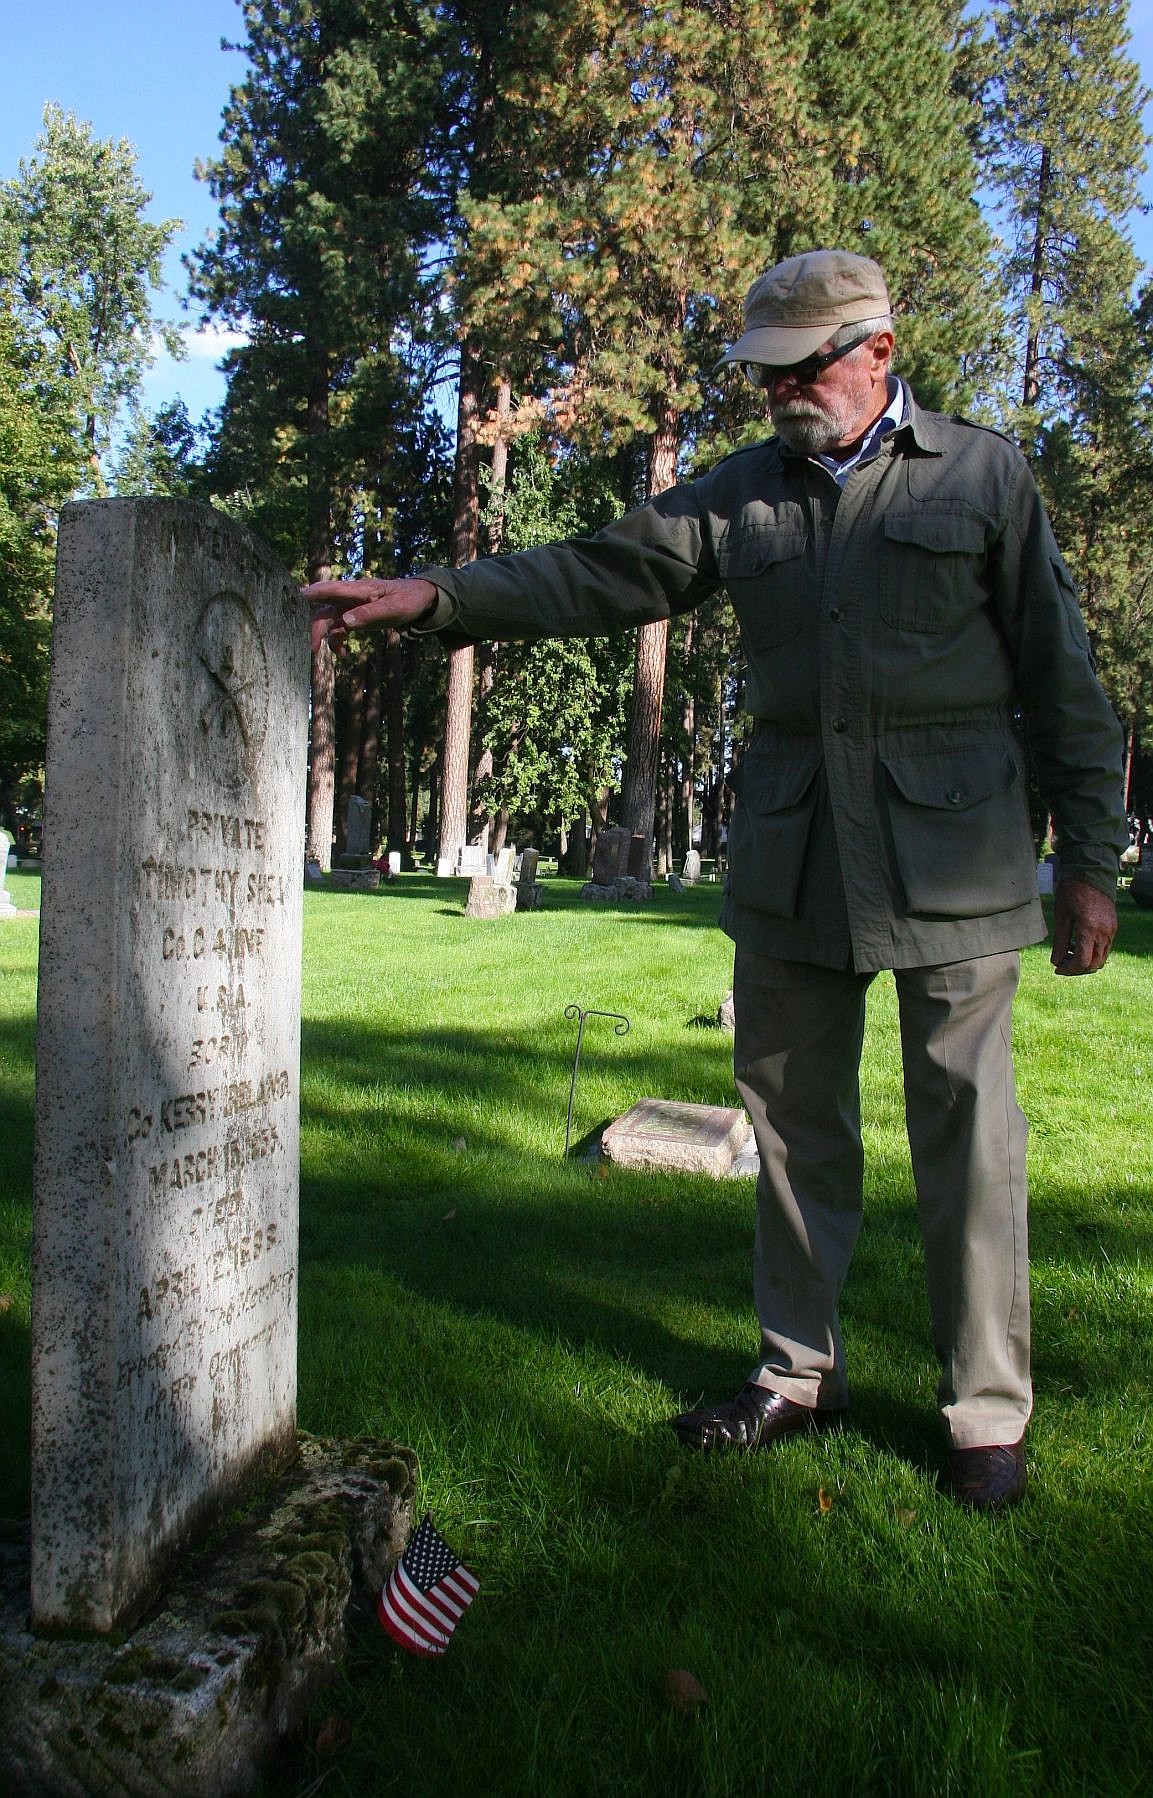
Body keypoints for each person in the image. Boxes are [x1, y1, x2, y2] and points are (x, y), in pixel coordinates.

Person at [307, 250, 1126, 1510]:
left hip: (953, 852)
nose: (779, 392)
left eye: (802, 367)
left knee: (969, 1134)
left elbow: (1061, 674)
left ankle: (986, 1414)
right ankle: (797, 1374)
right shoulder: (740, 494)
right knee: (795, 1126)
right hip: (796, 850)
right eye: (764, 372)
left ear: (877, 354)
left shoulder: (982, 474)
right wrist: (438, 598)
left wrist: (1087, 857)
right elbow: (595, 569)